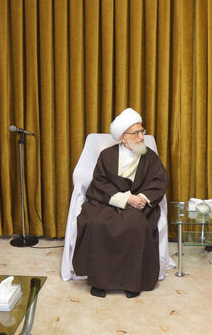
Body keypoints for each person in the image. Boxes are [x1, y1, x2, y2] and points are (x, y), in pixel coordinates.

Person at [71, 108, 169, 298]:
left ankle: (132, 282)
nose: (142, 137)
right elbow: (99, 183)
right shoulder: (107, 155)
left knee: (135, 224)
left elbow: (159, 181)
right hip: (109, 201)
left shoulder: (149, 156)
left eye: (142, 131)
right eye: (136, 133)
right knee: (95, 222)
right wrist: (125, 199)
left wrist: (143, 198)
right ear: (124, 137)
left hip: (138, 203)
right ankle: (99, 281)